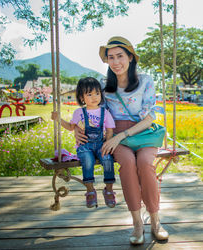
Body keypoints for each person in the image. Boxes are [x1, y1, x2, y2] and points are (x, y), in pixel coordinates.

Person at [75, 36, 169, 245]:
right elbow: (92, 112)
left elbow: (149, 118)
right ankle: (137, 223)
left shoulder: (145, 81)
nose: (116, 62)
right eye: (111, 57)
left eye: (120, 56)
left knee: (145, 164)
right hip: (114, 136)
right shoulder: (103, 85)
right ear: (107, 61)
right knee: (127, 164)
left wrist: (123, 135)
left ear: (130, 57)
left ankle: (155, 221)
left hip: (142, 133)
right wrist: (76, 129)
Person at [51, 77, 116, 208]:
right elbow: (71, 127)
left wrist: (107, 144)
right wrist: (58, 119)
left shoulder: (105, 112)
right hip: (85, 147)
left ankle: (108, 189)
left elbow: (109, 130)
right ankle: (90, 190)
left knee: (108, 159)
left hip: (101, 144)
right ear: (82, 98)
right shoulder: (79, 112)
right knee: (87, 160)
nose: (95, 97)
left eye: (97, 93)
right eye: (89, 94)